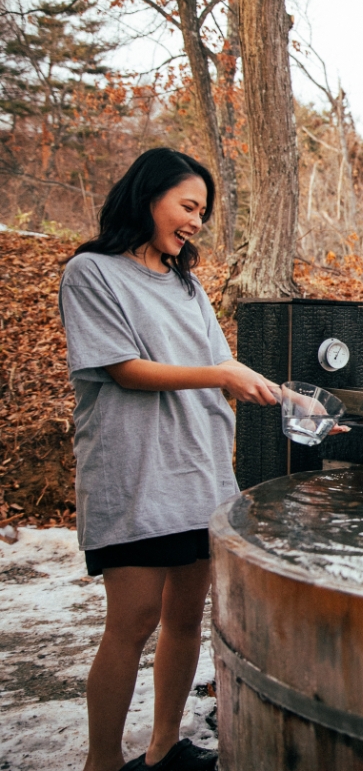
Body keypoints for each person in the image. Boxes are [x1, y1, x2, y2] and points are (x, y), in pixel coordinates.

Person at [59, 148, 277, 771]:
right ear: (147, 199)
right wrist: (218, 374)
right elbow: (124, 370)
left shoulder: (187, 284)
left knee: (185, 622)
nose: (197, 222)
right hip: (134, 474)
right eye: (188, 206)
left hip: (200, 469)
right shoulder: (92, 273)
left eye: (203, 212)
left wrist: (290, 400)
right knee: (128, 627)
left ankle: (163, 748)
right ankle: (101, 762)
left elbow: (225, 367)